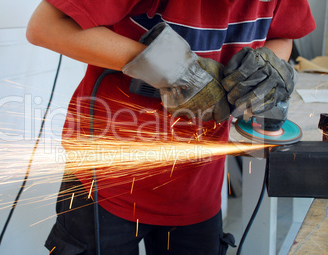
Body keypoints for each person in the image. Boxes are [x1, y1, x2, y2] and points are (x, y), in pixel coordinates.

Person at [26, 1, 315, 254]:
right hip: (106, 180)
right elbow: (47, 26)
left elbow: (282, 34)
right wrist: (173, 69)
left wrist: (269, 63)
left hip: (198, 183)